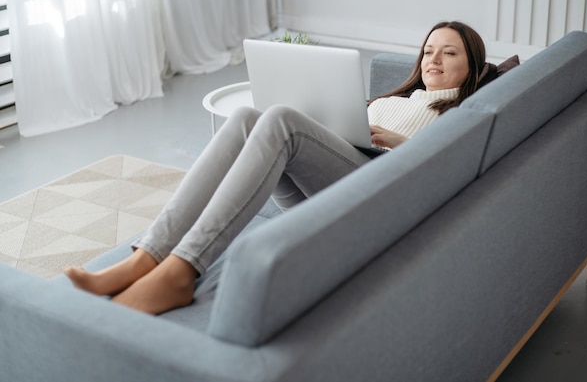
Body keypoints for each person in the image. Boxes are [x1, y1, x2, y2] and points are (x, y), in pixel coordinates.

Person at [64, 21, 487, 314]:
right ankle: (148, 258)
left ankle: (181, 271)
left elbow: (444, 167)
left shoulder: (458, 113)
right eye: (429, 50)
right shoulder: (392, 97)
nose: (434, 58)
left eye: (449, 52)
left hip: (376, 193)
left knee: (281, 119)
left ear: (473, 66)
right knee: (247, 117)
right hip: (332, 180)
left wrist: (398, 140)